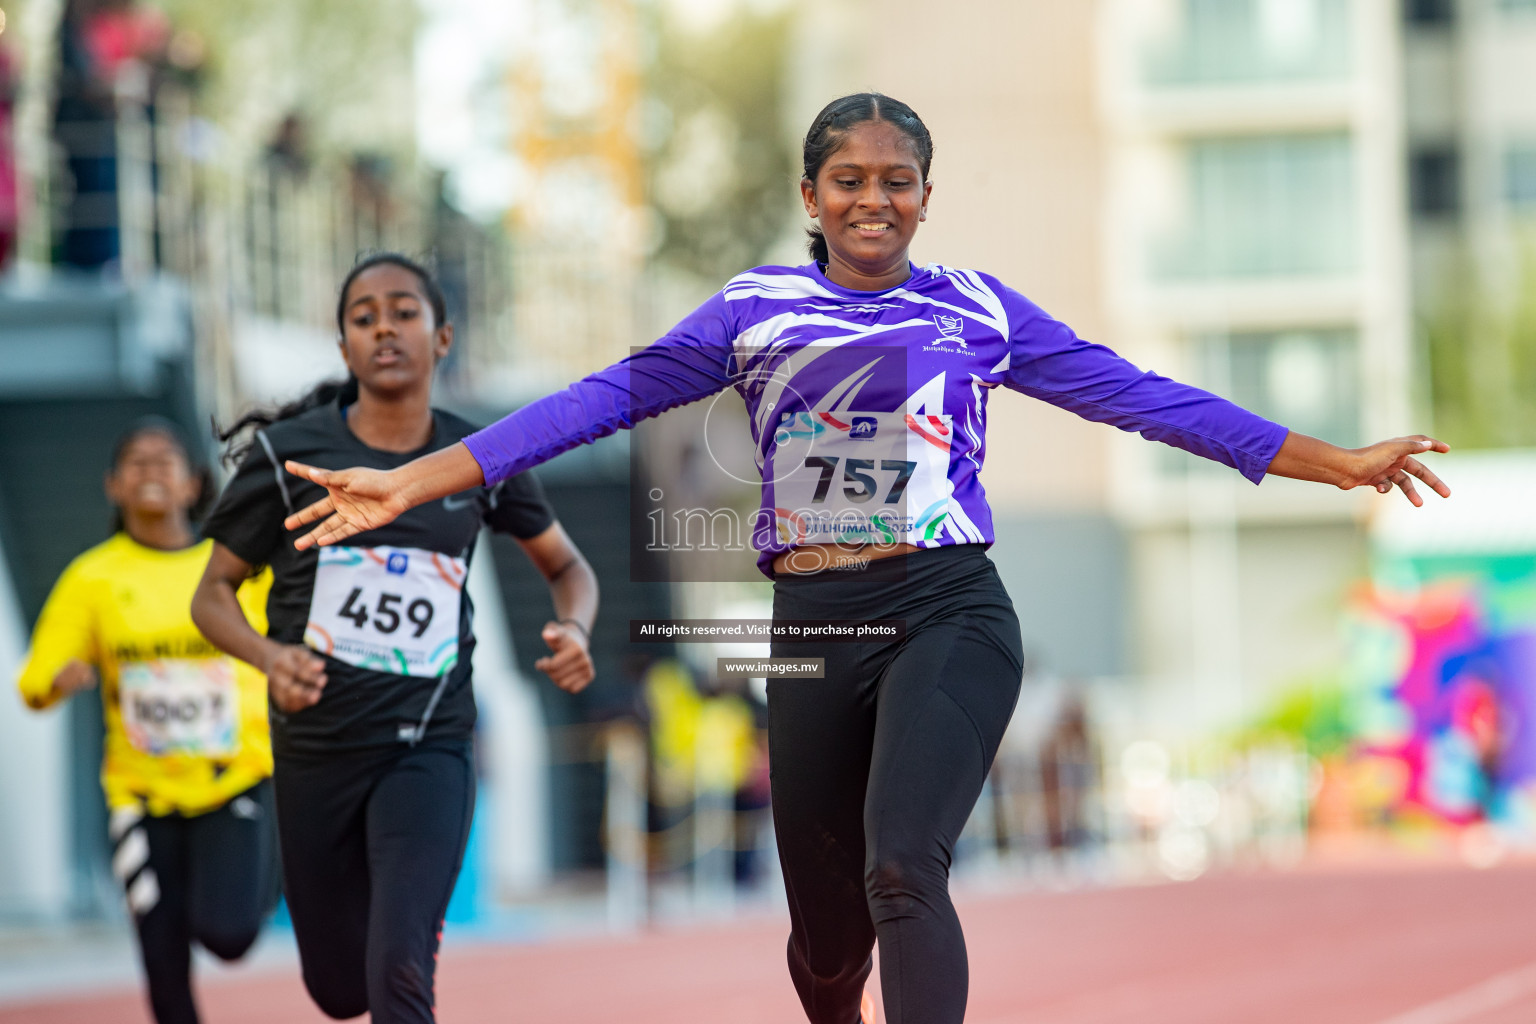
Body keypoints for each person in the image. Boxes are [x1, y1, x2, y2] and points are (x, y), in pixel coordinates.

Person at [274, 96, 1451, 1024]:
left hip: (949, 605)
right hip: (816, 625)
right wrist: (418, 476)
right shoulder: (753, 310)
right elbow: (586, 406)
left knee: (904, 868)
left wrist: (1334, 463)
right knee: (829, 942)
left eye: (897, 182)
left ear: (927, 197)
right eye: (851, 181)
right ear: (812, 193)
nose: (874, 201)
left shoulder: (979, 308)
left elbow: (1142, 399)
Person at [189, 252, 598, 1024]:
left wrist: (573, 626)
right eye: (363, 316)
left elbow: (570, 568)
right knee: (341, 989)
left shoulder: (484, 457)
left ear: (442, 338)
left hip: (431, 745)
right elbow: (211, 596)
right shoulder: (291, 459)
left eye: (404, 312)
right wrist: (271, 657)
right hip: (317, 749)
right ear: (343, 346)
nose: (384, 327)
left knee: (401, 964)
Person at [16, 419, 276, 1024]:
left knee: (228, 934)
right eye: (136, 461)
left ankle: (258, 866)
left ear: (193, 484)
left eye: (166, 460)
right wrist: (56, 681)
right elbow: (37, 674)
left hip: (232, 778)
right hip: (140, 795)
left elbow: (285, 642)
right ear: (113, 485)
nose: (151, 470)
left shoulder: (235, 565)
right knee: (162, 959)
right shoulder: (94, 577)